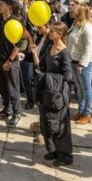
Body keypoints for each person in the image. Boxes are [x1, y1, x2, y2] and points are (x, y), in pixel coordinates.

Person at [32, 21, 74, 167]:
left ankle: (65, 155)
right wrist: (34, 54)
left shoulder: (65, 53)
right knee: (46, 122)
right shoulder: (50, 47)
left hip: (58, 94)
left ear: (60, 34)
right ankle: (53, 150)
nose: (49, 33)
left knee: (60, 125)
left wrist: (49, 78)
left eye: (52, 31)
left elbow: (68, 76)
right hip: (46, 91)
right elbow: (41, 65)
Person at [0, 0, 23, 127]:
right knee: (2, 87)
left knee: (13, 88)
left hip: (11, 61)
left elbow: (19, 43)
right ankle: (6, 108)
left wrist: (10, 60)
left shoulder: (15, 22)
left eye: (1, 5)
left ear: (9, 7)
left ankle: (17, 113)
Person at [68, 2, 92, 124]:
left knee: (86, 88)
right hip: (73, 60)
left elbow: (88, 47)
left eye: (74, 9)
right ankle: (80, 110)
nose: (71, 11)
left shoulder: (88, 27)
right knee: (79, 88)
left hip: (85, 62)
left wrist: (82, 64)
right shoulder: (75, 24)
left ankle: (87, 113)